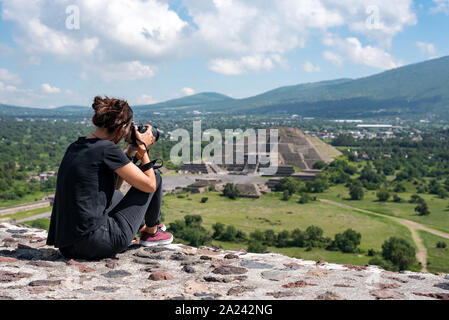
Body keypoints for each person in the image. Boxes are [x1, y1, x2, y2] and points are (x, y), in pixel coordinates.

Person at [46, 96, 173, 260]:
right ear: (122, 128)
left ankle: (141, 227)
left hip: (68, 245)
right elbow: (149, 186)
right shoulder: (107, 149)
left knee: (117, 195)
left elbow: (114, 187)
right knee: (154, 175)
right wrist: (143, 149)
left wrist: (129, 153)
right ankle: (151, 232)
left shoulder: (77, 146)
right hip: (97, 242)